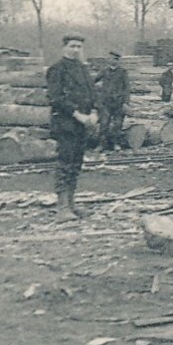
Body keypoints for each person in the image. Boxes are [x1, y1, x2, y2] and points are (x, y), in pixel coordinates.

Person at [47, 35, 97, 217]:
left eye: (79, 47)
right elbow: (56, 98)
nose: (76, 50)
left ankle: (71, 204)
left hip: (83, 124)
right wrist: (77, 114)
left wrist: (94, 112)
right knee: (65, 163)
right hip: (65, 123)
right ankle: (62, 208)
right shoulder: (56, 70)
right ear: (64, 48)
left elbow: (92, 93)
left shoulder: (83, 69)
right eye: (72, 46)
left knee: (76, 163)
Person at [93, 50, 130, 150]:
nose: (111, 60)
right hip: (105, 103)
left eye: (113, 59)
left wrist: (126, 103)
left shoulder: (123, 72)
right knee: (104, 124)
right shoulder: (104, 71)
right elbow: (92, 81)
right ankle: (101, 144)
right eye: (109, 58)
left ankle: (116, 144)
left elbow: (127, 88)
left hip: (119, 103)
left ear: (117, 60)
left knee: (117, 125)